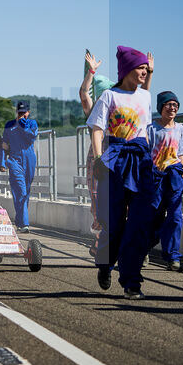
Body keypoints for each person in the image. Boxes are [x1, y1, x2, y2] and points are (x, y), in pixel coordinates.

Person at [87, 46, 154, 299]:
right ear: (127, 70)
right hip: (115, 159)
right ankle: (105, 265)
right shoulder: (109, 96)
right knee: (114, 224)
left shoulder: (145, 96)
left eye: (146, 70)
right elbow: (96, 128)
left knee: (138, 224)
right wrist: (99, 159)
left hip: (141, 159)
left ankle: (131, 282)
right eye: (140, 69)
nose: (144, 73)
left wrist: (151, 160)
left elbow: (146, 129)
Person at [147, 91, 183, 272]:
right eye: (168, 104)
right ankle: (143, 249)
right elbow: (146, 154)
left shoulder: (180, 129)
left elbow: (180, 156)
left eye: (175, 105)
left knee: (175, 217)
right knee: (152, 217)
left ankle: (173, 257)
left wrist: (182, 176)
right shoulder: (151, 129)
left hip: (174, 177)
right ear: (161, 107)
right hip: (155, 177)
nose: (172, 108)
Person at [79, 50, 114, 256]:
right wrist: (91, 72)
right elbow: (84, 93)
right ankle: (100, 240)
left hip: (119, 159)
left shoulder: (121, 111)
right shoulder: (94, 111)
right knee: (97, 199)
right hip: (97, 160)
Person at [2, 101, 39, 233]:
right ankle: (24, 224)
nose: (22, 115)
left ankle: (19, 221)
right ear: (16, 112)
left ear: (28, 113)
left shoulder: (32, 124)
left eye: (24, 112)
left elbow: (32, 137)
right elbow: (4, 145)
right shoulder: (9, 125)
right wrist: (2, 162)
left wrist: (24, 126)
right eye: (20, 112)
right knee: (20, 191)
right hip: (14, 160)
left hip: (29, 159)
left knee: (26, 192)